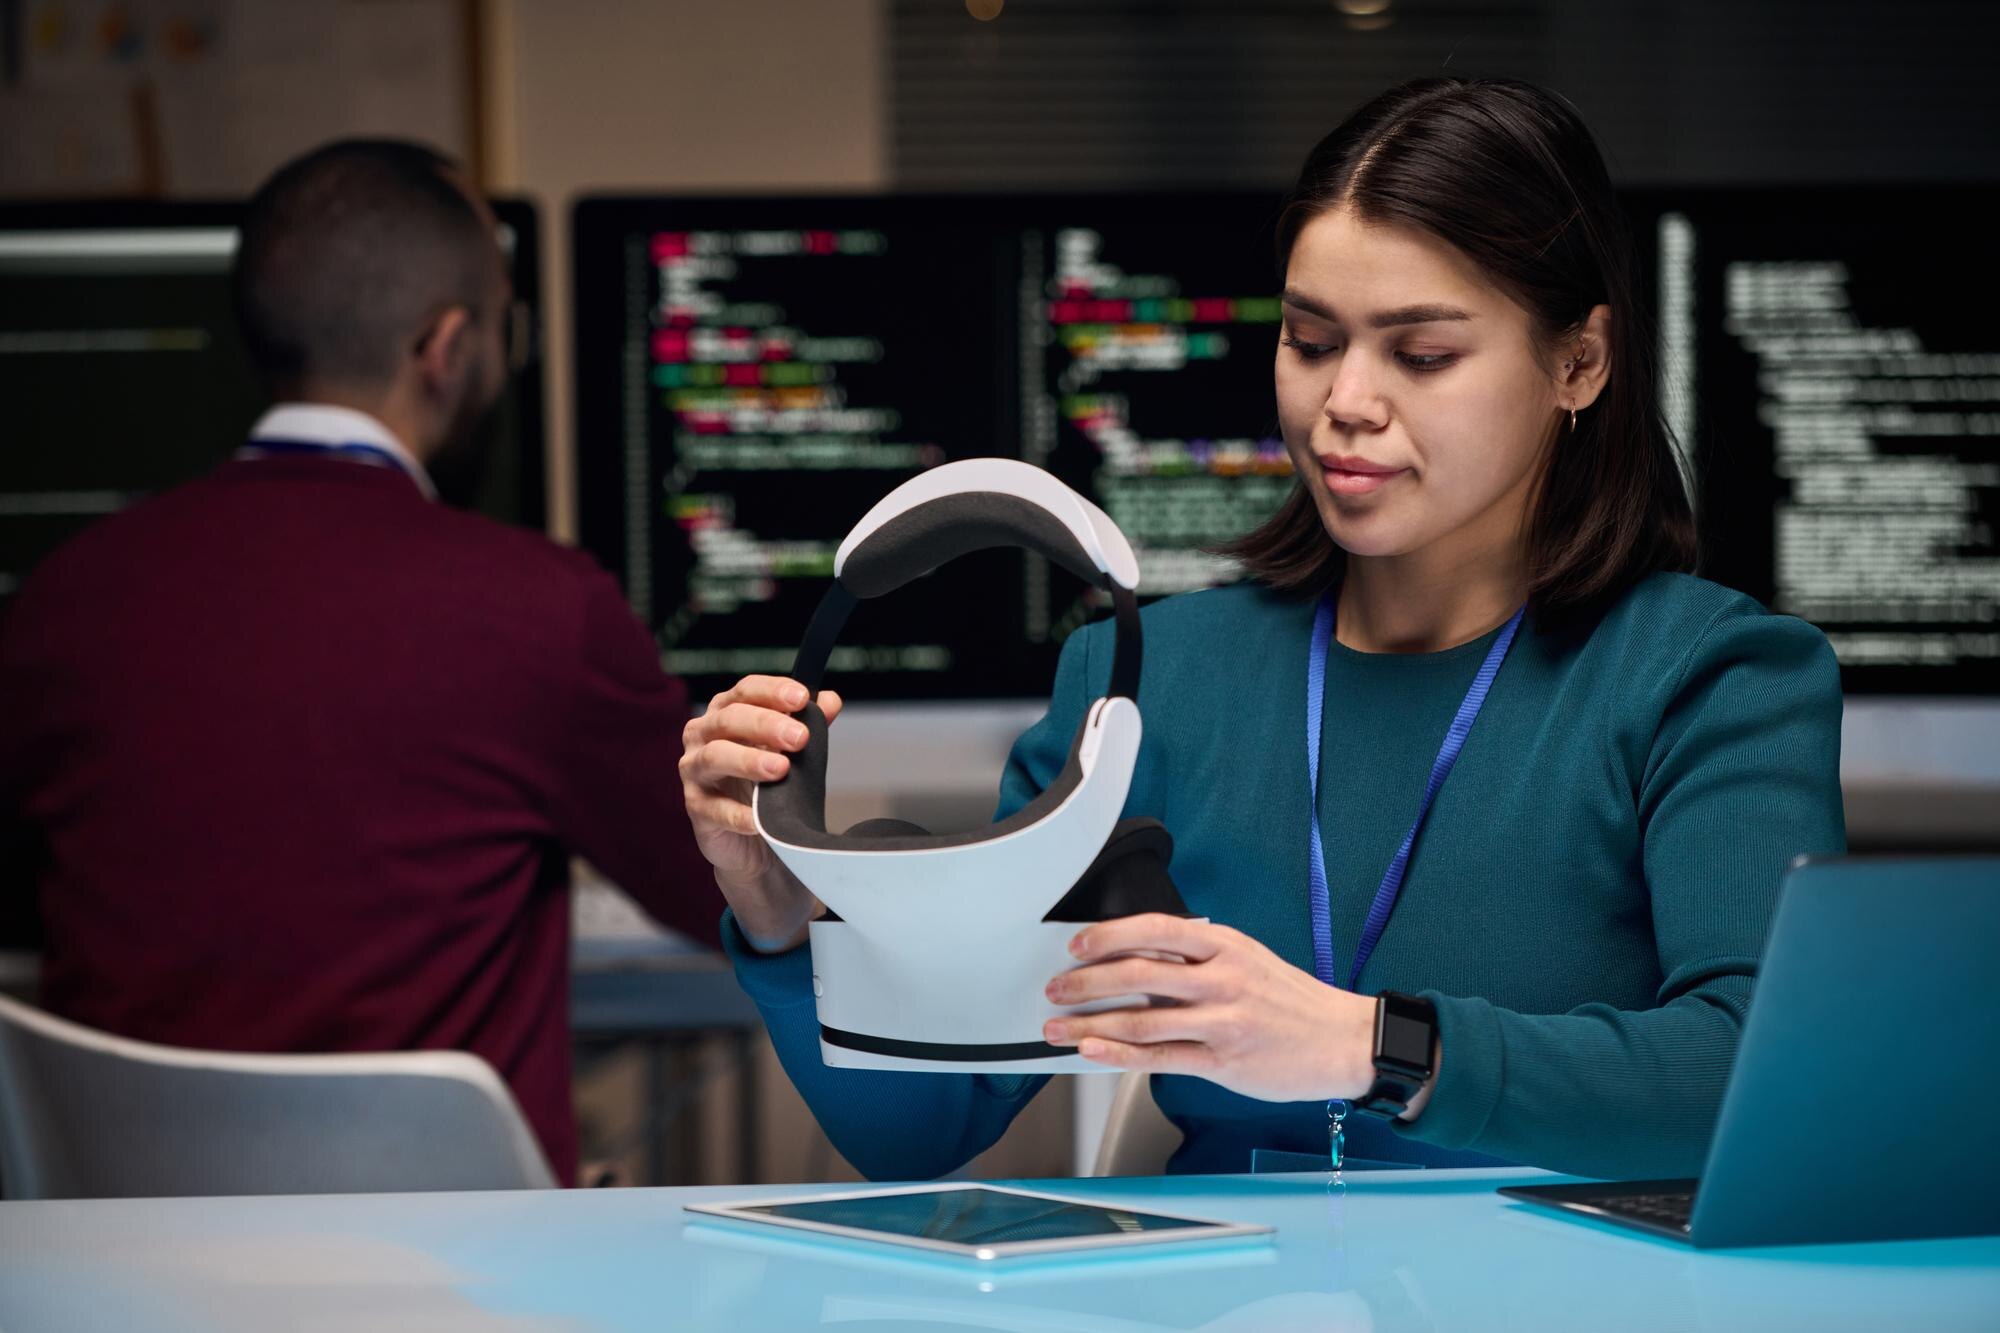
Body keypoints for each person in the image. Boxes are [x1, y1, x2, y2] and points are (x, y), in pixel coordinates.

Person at [679, 77, 1846, 1180]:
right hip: (1228, 1286)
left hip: (1571, 1285)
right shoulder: (1147, 680)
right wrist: (780, 909)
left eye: (1421, 354)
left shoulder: (1711, 677)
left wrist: (1368, 1045)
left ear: (1577, 362)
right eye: (1310, 339)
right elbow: (926, 1127)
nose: (1344, 402)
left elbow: (1763, 1072)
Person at [0, 140, 718, 1185]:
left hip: (126, 1253)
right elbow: (732, 895)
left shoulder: (61, 598)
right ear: (447, 347)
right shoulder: (541, 609)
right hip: (458, 1257)